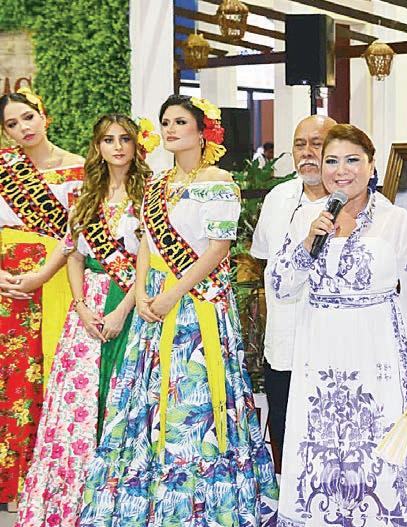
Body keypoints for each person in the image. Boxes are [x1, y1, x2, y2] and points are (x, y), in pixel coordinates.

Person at [78, 95, 278, 526]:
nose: (170, 129)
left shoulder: (219, 181)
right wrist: (143, 293)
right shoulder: (156, 184)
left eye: (180, 122)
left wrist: (174, 293)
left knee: (193, 397)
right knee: (147, 396)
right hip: (154, 303)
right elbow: (145, 245)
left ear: (203, 131)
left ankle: (200, 502)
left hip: (196, 304)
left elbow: (218, 250)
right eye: (166, 122)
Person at [270, 124, 407, 526]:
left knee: (379, 459)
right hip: (320, 359)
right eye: (332, 161)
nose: (341, 170)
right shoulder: (306, 219)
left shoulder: (397, 221)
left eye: (352, 160)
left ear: (371, 166)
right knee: (323, 458)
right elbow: (281, 286)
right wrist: (307, 245)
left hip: (378, 356)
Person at [15, 114, 154, 527]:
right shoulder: (84, 193)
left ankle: (116, 501)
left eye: (125, 139)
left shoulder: (150, 192)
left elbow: (148, 262)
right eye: (108, 140)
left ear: (136, 145)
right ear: (97, 146)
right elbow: (74, 254)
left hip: (129, 302)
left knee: (121, 396)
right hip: (88, 305)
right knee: (78, 401)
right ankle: (71, 499)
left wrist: (122, 310)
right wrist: (80, 305)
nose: (117, 147)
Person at [0, 88, 84, 506]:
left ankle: (46, 478)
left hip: (58, 278)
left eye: (28, 117)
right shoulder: (4, 169)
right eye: (12, 124)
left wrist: (42, 274)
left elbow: (78, 233)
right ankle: (9, 479)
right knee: (12, 376)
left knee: (53, 372)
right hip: (6, 284)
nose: (23, 128)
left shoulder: (81, 168)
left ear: (43, 115)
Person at [251, 114, 336, 463]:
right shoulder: (278, 197)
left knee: (329, 450)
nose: (307, 152)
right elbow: (260, 260)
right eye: (300, 145)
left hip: (332, 352)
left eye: (317, 144)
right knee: (287, 448)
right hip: (282, 347)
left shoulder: (352, 203)